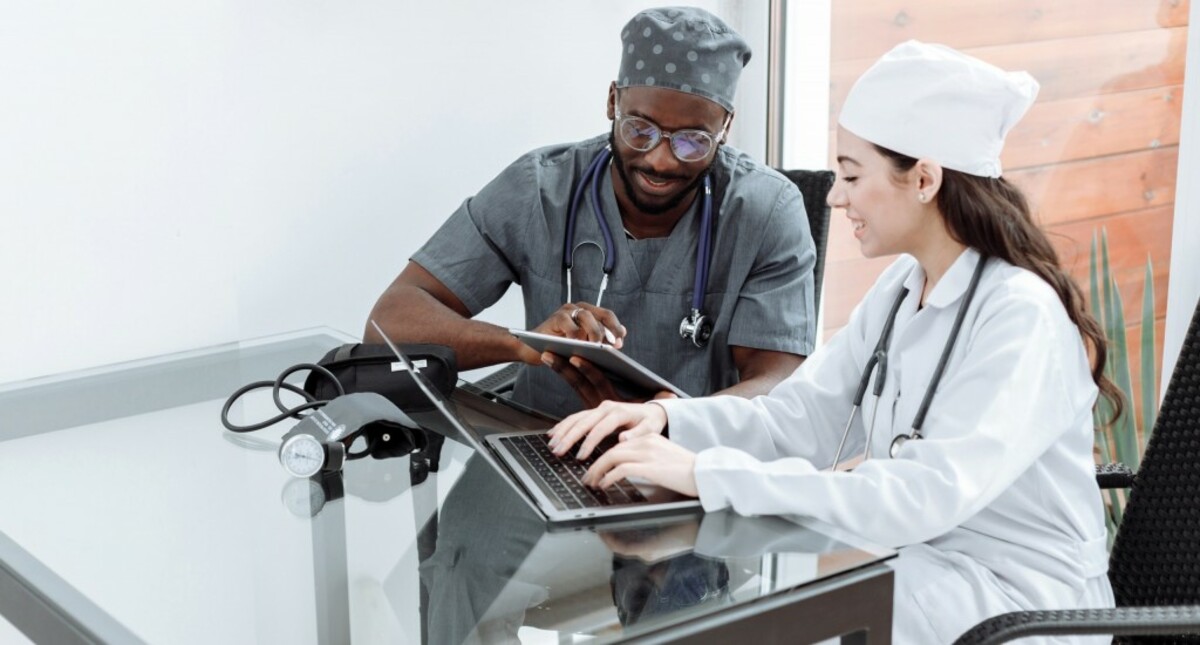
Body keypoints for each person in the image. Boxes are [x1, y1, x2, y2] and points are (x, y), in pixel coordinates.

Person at [546, 41, 1119, 643]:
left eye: (851, 174)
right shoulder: (904, 285)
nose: (835, 196)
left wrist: (707, 473)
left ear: (923, 179)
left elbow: (924, 496)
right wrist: (667, 423)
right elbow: (800, 417)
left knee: (750, 624)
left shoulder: (1019, 315)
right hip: (915, 566)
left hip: (1016, 608)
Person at [365, 7, 817, 418]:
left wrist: (663, 421)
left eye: (693, 140)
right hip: (543, 439)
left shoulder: (765, 211)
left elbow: (778, 386)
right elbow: (389, 321)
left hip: (687, 462)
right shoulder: (541, 188)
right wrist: (525, 345)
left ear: (726, 127)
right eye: (639, 129)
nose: (661, 160)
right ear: (611, 102)